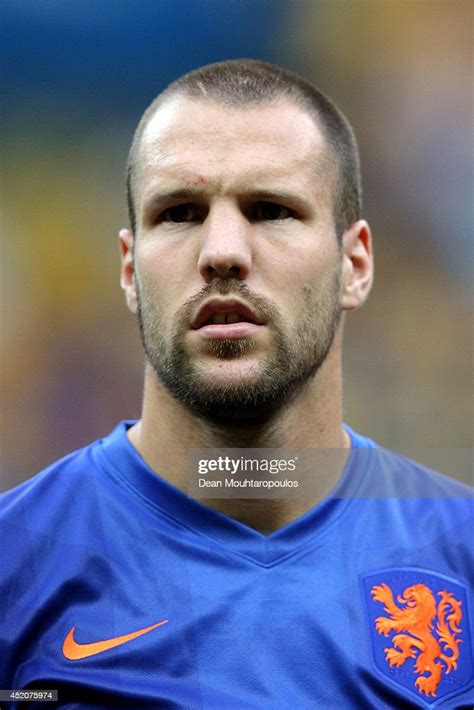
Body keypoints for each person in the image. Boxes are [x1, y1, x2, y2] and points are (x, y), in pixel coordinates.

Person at [0, 59, 472, 709]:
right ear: (130, 269)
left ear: (355, 265)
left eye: (271, 209)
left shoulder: (461, 552)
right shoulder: (15, 561)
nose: (222, 250)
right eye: (180, 212)